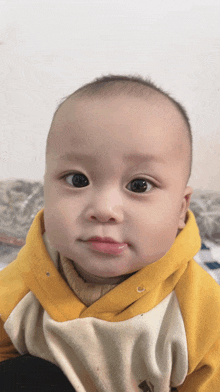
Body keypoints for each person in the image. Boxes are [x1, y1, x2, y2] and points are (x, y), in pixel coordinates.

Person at [0, 74, 220, 392]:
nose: (104, 209)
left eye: (139, 185)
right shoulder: (23, 283)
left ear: (180, 209)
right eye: (77, 180)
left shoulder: (199, 311)